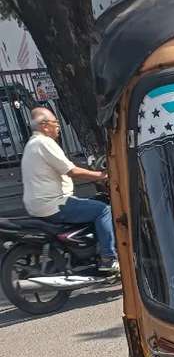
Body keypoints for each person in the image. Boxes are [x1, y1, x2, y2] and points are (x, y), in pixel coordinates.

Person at [21, 107, 119, 274]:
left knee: (98, 200)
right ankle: (108, 258)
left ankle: (90, 250)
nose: (58, 126)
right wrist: (102, 176)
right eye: (55, 122)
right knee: (103, 210)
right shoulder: (44, 143)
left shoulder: (32, 144)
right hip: (54, 204)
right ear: (45, 126)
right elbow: (71, 171)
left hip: (41, 204)